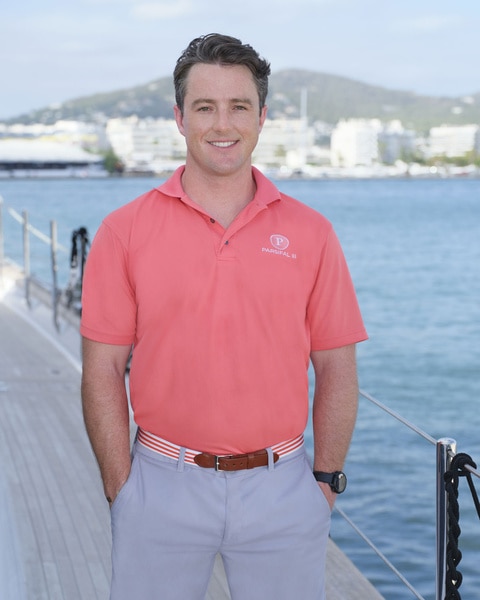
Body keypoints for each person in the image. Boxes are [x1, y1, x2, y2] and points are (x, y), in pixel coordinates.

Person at [80, 33, 368, 600]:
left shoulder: (313, 234)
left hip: (284, 489)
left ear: (262, 117)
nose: (222, 123)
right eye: (204, 107)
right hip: (159, 486)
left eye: (238, 106)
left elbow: (337, 368)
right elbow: (101, 372)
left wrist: (324, 482)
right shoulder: (124, 231)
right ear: (179, 118)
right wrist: (122, 488)